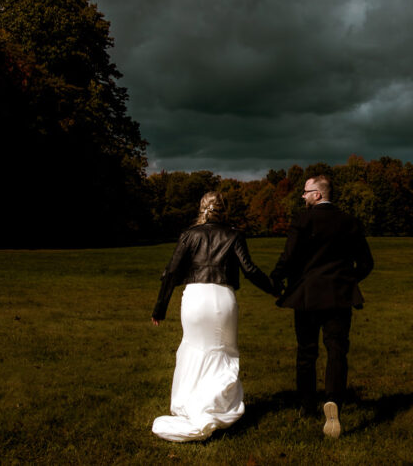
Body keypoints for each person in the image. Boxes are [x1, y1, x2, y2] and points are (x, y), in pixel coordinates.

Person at [150, 191, 276, 442]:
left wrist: (160, 308)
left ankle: (190, 405)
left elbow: (171, 272)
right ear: (224, 209)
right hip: (222, 299)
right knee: (222, 352)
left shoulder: (189, 235)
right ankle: (214, 408)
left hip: (194, 298)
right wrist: (276, 291)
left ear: (201, 208)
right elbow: (249, 270)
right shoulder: (234, 235)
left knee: (193, 348)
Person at [270, 175, 374, 439]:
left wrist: (275, 278)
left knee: (307, 352)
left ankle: (306, 406)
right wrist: (347, 281)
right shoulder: (350, 222)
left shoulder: (302, 220)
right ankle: (334, 401)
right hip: (339, 296)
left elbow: (289, 256)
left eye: (305, 192)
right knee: (337, 350)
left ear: (317, 194)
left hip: (306, 296)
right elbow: (366, 263)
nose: (302, 196)